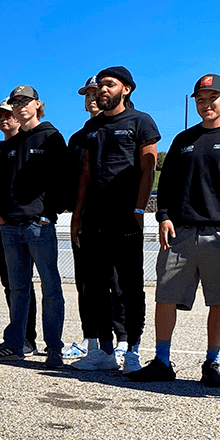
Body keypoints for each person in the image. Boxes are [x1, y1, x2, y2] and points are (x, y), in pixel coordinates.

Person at [129, 74, 220, 387]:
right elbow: (167, 185)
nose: (207, 104)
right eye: (201, 100)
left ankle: (211, 362)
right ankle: (162, 361)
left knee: (219, 300)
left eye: (213, 98)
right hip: (181, 232)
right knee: (165, 296)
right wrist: (163, 216)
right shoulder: (183, 141)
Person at [70, 66, 159, 374]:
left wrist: (138, 210)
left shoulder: (141, 122)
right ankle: (105, 352)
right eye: (100, 86)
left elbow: (148, 168)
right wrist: (77, 215)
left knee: (131, 287)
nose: (102, 90)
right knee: (95, 286)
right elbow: (85, 174)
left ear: (127, 89)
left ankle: (132, 350)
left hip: (125, 219)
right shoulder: (91, 128)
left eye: (109, 85)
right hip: (94, 219)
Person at [0, 85, 66, 368]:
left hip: (38, 225)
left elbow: (62, 183)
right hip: (10, 227)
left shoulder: (51, 137)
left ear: (37, 105)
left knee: (51, 287)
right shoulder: (7, 146)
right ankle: (15, 344)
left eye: (25, 101)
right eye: (16, 102)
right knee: (17, 289)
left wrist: (46, 213)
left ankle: (54, 348)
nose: (20, 106)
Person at [63, 76, 128, 360]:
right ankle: (91, 340)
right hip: (85, 219)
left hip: (116, 218)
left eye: (96, 91)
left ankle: (123, 340)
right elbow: (71, 178)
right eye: (87, 93)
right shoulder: (79, 138)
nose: (92, 97)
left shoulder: (125, 128)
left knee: (117, 282)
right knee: (85, 283)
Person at [0, 98, 39, 356]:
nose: (4, 119)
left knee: (25, 283)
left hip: (24, 223)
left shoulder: (31, 145)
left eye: (7, 114)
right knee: (10, 283)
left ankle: (28, 338)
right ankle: (16, 335)